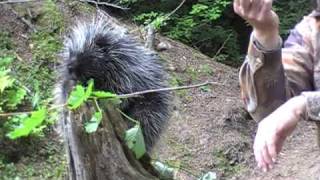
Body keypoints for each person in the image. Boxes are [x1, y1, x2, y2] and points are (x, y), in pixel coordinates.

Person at [233, 0, 320, 172]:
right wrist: (265, 32)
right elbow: (271, 111)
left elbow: (295, 106)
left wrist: (304, 104)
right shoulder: (311, 30)